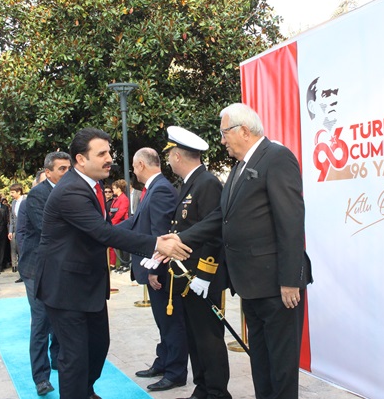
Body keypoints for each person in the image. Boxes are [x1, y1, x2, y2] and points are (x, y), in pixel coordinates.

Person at [161, 103, 313, 399]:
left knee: (281, 366)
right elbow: (220, 217)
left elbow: (291, 222)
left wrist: (290, 279)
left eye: (224, 133)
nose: (222, 141)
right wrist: (179, 238)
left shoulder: (277, 157)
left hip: (277, 285)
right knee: (261, 362)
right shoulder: (239, 168)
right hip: (250, 284)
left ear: (243, 131)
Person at [35, 128, 187, 399]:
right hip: (65, 287)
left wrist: (150, 238)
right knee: (74, 356)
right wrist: (156, 244)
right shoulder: (71, 190)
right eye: (102, 154)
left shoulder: (90, 186)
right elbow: (102, 233)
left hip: (87, 285)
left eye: (109, 152)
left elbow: (106, 229)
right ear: (81, 159)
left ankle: (86, 391)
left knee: (97, 346)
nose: (109, 159)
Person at [163, 126, 231, 399]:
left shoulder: (207, 183)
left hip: (203, 277)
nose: (168, 161)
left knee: (208, 338)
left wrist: (204, 273)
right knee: (194, 337)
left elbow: (214, 231)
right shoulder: (189, 183)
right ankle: (202, 387)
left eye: (169, 155)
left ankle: (216, 392)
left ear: (178, 156)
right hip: (186, 276)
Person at [116, 147, 186, 392]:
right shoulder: (154, 188)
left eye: (134, 166)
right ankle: (164, 361)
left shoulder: (161, 190)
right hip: (154, 266)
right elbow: (137, 222)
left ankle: (175, 372)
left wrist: (155, 268)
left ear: (141, 165)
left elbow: (160, 233)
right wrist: (105, 233)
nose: (134, 171)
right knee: (162, 322)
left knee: (171, 323)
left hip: (161, 270)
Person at [18, 152, 70, 396]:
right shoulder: (37, 195)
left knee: (61, 316)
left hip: (60, 267)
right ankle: (41, 378)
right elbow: (47, 228)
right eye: (62, 169)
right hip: (36, 268)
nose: (67, 173)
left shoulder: (70, 191)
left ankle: (57, 358)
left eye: (69, 168)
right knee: (41, 321)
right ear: (48, 172)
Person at [109, 179, 130, 272]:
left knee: (124, 245)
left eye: (114, 188)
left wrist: (112, 222)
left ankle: (125, 264)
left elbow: (121, 212)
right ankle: (122, 264)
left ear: (119, 188)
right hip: (116, 223)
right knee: (120, 245)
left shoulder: (123, 199)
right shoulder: (116, 198)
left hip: (122, 224)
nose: (113, 190)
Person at [8, 183, 25, 276]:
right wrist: (10, 231)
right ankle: (21, 273)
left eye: (12, 192)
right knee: (17, 250)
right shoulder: (13, 202)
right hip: (16, 231)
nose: (11, 194)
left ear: (19, 192)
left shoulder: (26, 200)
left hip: (25, 231)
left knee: (24, 251)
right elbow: (12, 218)